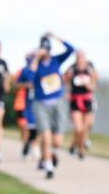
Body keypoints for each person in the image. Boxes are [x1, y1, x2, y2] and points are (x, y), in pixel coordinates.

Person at [21, 33, 74, 179]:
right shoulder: (35, 63)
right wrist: (35, 58)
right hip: (41, 104)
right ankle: (49, 166)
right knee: (45, 134)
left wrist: (56, 36)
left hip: (57, 102)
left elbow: (71, 49)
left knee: (57, 141)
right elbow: (29, 76)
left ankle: (52, 154)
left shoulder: (56, 60)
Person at [64, 50, 98, 159]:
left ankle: (81, 149)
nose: (79, 58)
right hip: (75, 101)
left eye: (81, 56)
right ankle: (75, 145)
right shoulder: (72, 69)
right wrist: (67, 92)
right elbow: (65, 81)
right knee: (78, 128)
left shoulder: (90, 68)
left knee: (86, 126)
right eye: (78, 56)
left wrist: (88, 85)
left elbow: (94, 85)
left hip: (88, 100)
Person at [12, 58, 38, 159]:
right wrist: (26, 85)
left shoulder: (39, 71)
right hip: (21, 103)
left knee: (35, 127)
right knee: (24, 127)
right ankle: (26, 145)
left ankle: (34, 146)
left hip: (35, 104)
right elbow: (15, 85)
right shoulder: (22, 71)